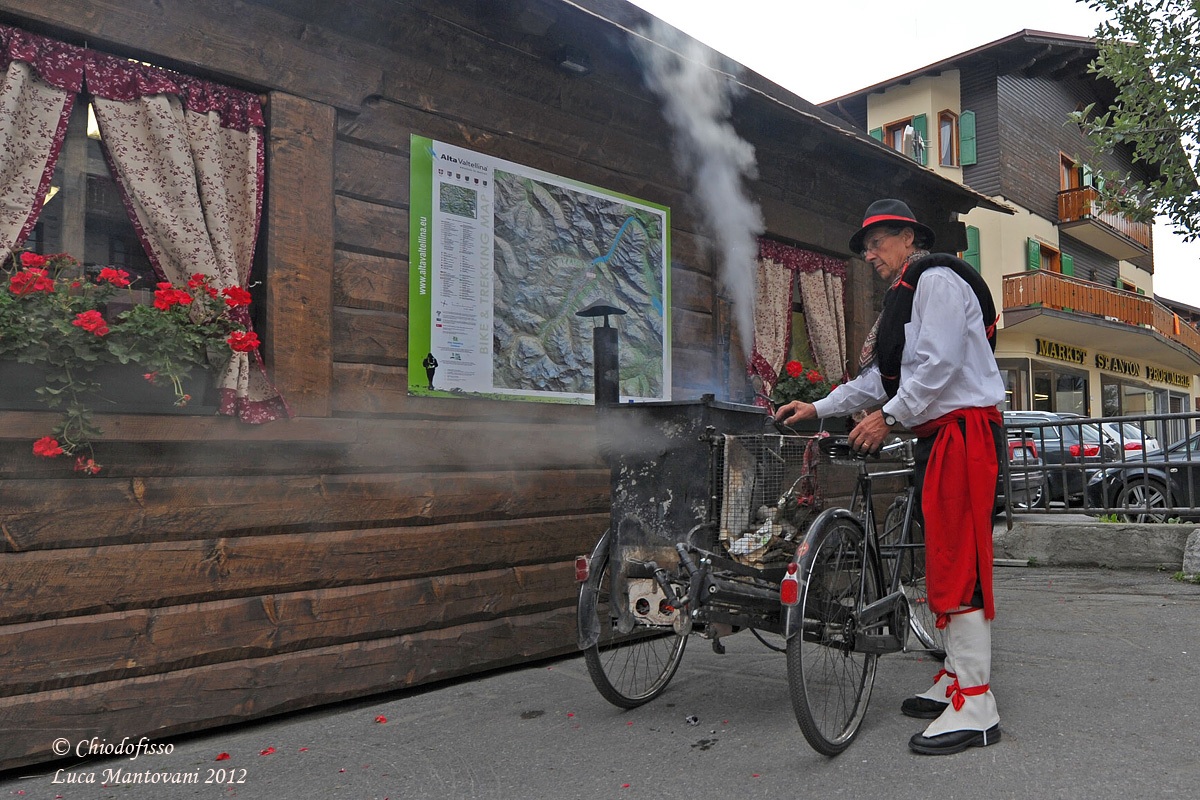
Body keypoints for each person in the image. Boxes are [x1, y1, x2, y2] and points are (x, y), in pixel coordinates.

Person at [775, 198, 1006, 756]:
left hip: (964, 434)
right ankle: (957, 676)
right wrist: (820, 407)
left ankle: (977, 703)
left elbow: (939, 364)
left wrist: (891, 417)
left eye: (878, 243)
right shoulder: (905, 297)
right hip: (941, 437)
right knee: (941, 558)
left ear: (908, 238)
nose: (870, 255)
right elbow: (880, 378)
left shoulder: (937, 280)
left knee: (961, 559)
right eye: (866, 246)